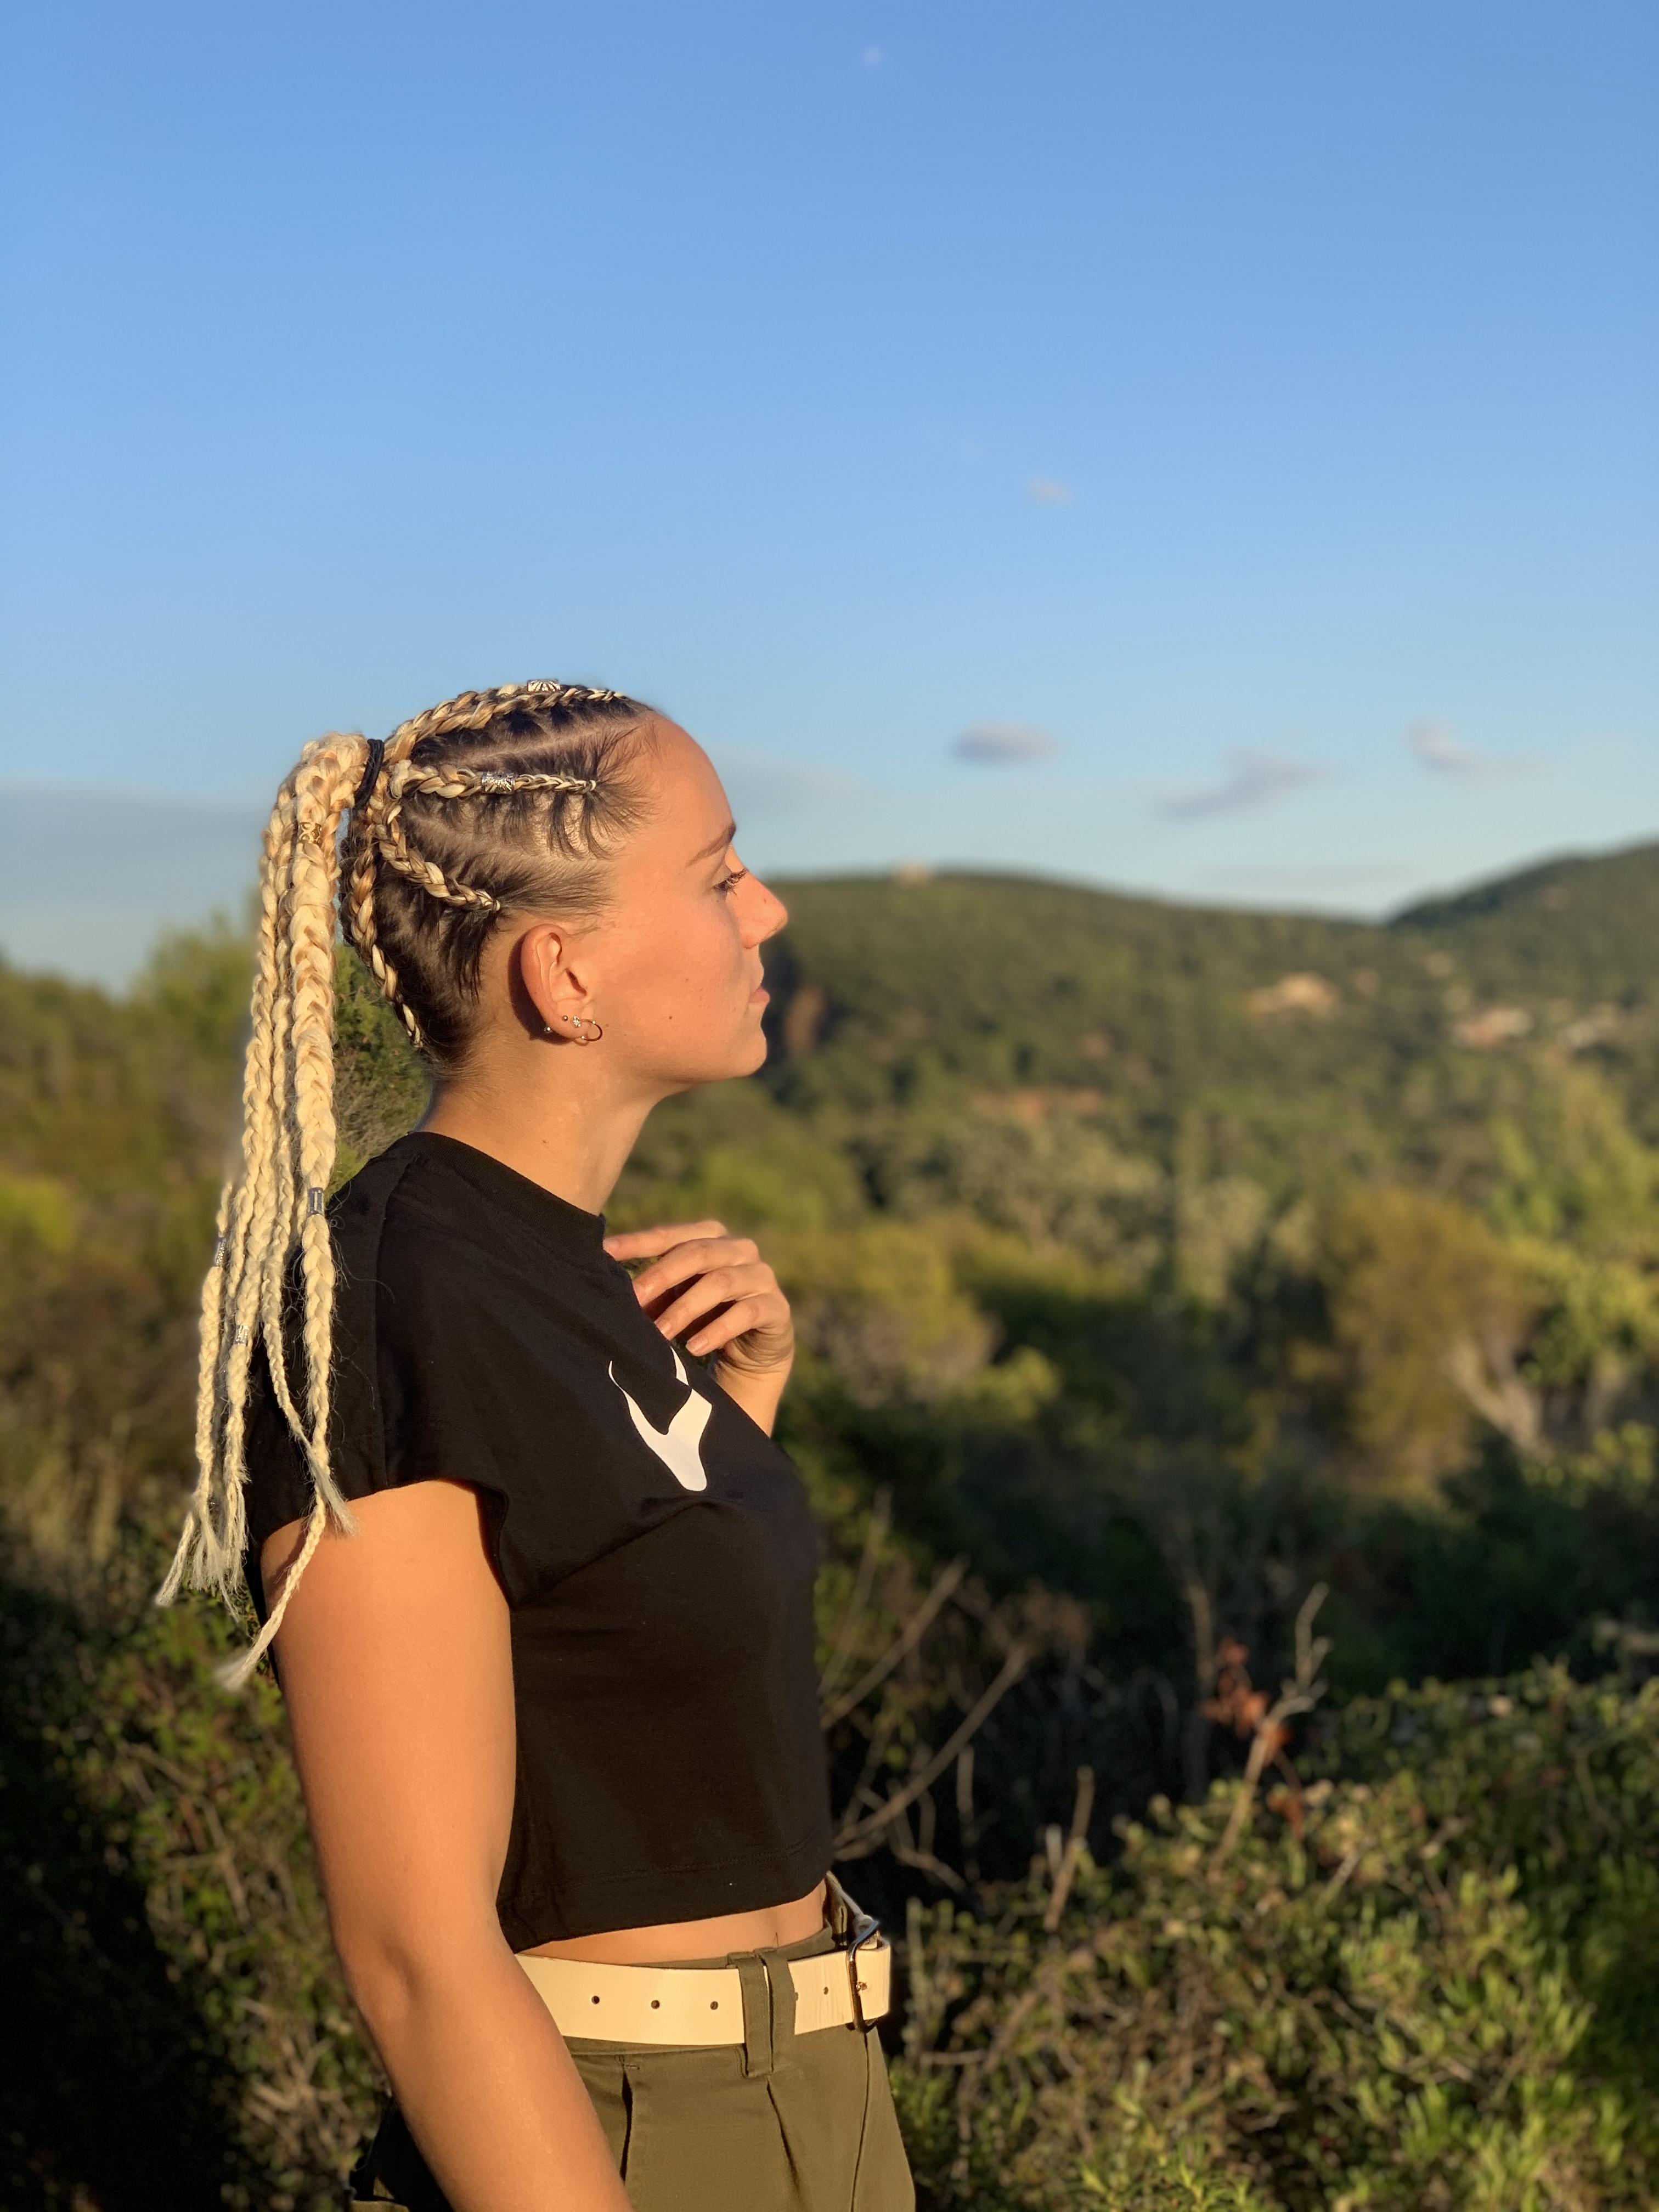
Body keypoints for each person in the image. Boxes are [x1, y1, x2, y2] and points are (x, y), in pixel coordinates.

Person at [159, 681, 915, 2212]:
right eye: (717, 874)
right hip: (620, 2127)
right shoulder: (389, 1297)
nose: (766, 909)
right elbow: (417, 1956)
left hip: (822, 2104)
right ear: (562, 974)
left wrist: (738, 1416)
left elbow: (629, 1684)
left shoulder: (578, 1278)